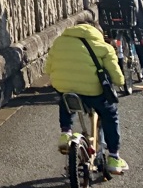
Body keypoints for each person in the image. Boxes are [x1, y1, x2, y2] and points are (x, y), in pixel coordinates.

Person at [44, 21, 128, 174]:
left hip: (65, 87)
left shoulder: (59, 41)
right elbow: (117, 77)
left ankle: (65, 133)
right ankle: (114, 157)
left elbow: (47, 69)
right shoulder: (104, 47)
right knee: (110, 114)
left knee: (65, 100)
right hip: (93, 92)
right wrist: (121, 82)